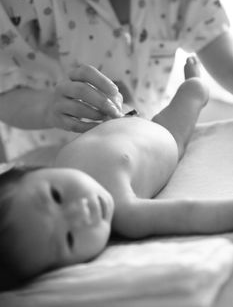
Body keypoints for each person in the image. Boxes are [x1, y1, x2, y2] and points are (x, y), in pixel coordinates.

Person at [2, 75, 233, 288]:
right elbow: (189, 213)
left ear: (33, 171)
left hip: (123, 117)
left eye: (56, 196)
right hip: (167, 133)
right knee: (193, 91)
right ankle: (196, 86)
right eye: (70, 239)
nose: (82, 210)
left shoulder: (58, 162)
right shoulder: (127, 213)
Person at [0, 0, 233, 160]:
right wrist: (48, 108)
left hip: (143, 145)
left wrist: (192, 96)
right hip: (47, 157)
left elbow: (220, 50)